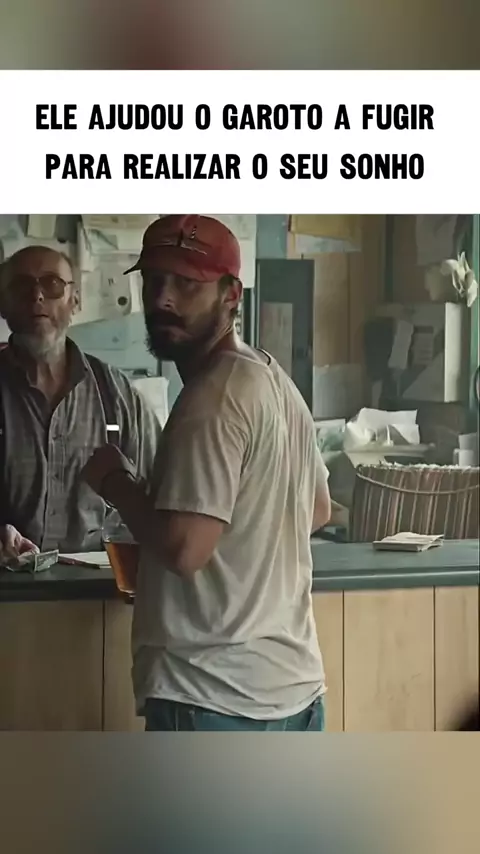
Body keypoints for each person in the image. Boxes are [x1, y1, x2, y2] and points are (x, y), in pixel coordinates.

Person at [82, 215, 331, 731]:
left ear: (231, 295)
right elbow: (317, 509)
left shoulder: (212, 397)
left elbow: (183, 549)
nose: (163, 299)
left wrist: (115, 482)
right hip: (293, 694)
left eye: (187, 284)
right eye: (154, 280)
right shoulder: (272, 377)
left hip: (213, 695)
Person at [0, 245, 161, 557]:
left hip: (97, 585)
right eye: (21, 286)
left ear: (75, 300)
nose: (37, 296)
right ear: (2, 304)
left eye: (52, 284)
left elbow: (161, 496)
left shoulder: (117, 396)